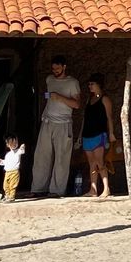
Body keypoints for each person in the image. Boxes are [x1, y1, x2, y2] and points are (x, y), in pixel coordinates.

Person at [34, 56, 80, 195]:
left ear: (64, 67)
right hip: (47, 122)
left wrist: (60, 97)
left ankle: (57, 190)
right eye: (53, 69)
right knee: (41, 156)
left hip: (63, 124)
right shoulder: (50, 79)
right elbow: (48, 97)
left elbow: (77, 104)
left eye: (58, 68)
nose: (55, 71)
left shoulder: (72, 82)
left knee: (61, 158)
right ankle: (38, 189)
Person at [80, 75, 118, 199]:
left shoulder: (104, 99)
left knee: (100, 161)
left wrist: (111, 133)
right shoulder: (89, 100)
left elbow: (109, 117)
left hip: (99, 134)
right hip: (87, 134)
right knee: (91, 163)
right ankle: (93, 189)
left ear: (99, 85)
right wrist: (80, 135)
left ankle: (106, 188)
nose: (90, 86)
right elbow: (84, 119)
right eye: (89, 84)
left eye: (92, 84)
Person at [0, 136, 26, 202]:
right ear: (8, 145)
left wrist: (22, 146)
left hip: (14, 172)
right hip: (7, 172)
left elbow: (22, 151)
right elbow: (5, 163)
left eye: (16, 142)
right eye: (12, 142)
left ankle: (11, 197)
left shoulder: (18, 151)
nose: (14, 144)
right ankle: (7, 196)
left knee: (13, 185)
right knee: (5, 185)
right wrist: (0, 161)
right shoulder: (8, 154)